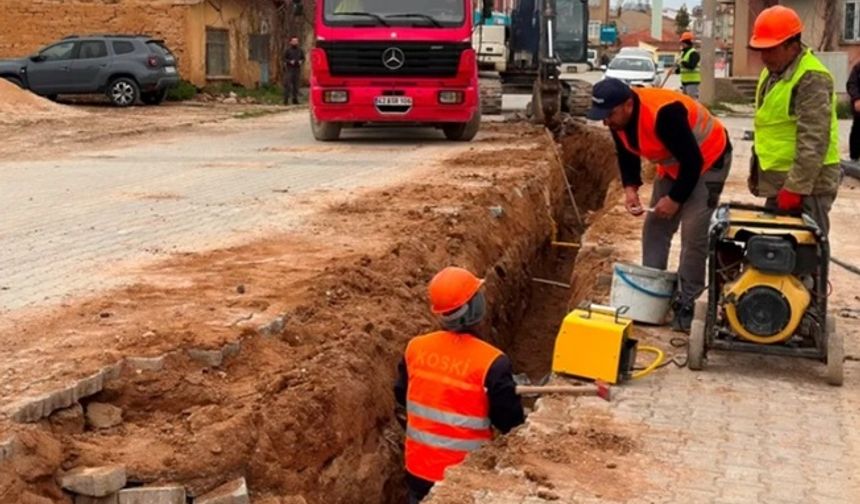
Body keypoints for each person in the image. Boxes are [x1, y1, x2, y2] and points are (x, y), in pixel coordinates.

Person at [587, 78, 732, 332]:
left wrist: (675, 199)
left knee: (692, 233)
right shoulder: (616, 117)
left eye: (609, 115)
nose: (605, 122)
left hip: (709, 160)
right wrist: (630, 188)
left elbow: (693, 162)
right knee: (655, 227)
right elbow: (626, 152)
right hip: (675, 165)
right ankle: (654, 292)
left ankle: (688, 301)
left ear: (628, 105)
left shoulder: (665, 115)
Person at [393, 267, 525, 503]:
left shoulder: (415, 348)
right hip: (464, 474)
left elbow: (401, 395)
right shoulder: (492, 362)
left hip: (418, 468)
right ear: (474, 307)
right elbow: (510, 422)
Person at [747, 5, 840, 235]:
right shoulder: (773, 72)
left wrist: (796, 188)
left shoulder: (811, 77)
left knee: (804, 254)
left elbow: (814, 139)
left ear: (792, 44)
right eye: (761, 49)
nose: (764, 56)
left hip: (809, 188)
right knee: (774, 256)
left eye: (771, 49)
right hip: (781, 183)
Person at [675, 31, 701, 98]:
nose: (681, 45)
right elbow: (682, 67)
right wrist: (676, 70)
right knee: (686, 103)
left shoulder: (693, 53)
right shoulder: (684, 53)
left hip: (692, 82)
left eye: (682, 43)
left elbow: (691, 66)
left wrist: (682, 61)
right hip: (684, 83)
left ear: (686, 43)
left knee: (692, 102)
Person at [283, 36, 304, 105]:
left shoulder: (300, 50)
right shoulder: (288, 50)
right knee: (288, 85)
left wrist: (301, 61)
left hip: (297, 69)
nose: (295, 42)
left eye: (296, 41)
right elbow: (284, 59)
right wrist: (289, 61)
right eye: (293, 41)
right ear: (291, 42)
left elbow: (303, 58)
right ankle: (285, 100)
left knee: (296, 85)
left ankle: (295, 99)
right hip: (289, 69)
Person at [848, 59, 860, 161]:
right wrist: (856, 99)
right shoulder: (858, 68)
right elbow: (851, 84)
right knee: (857, 129)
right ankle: (854, 156)